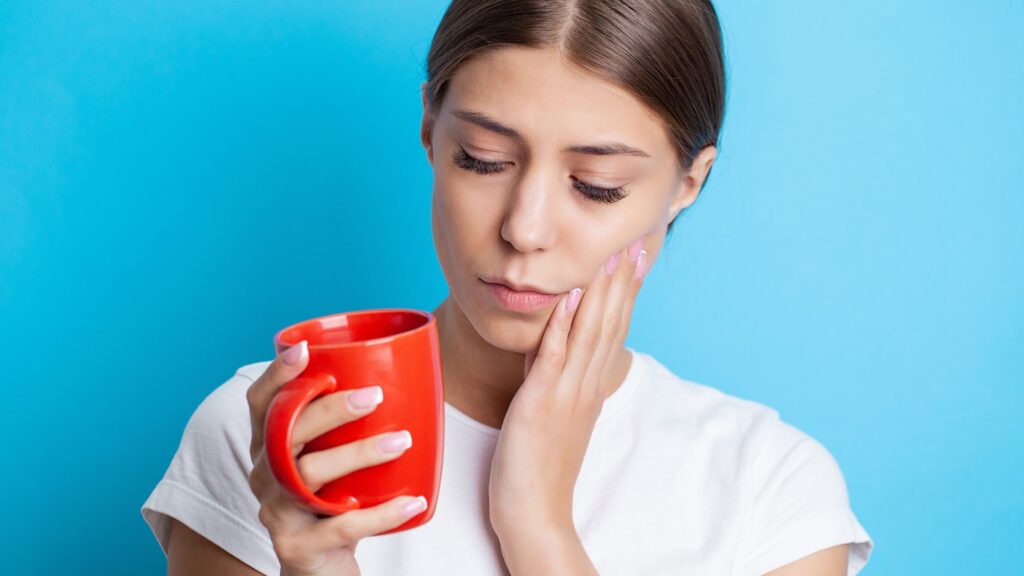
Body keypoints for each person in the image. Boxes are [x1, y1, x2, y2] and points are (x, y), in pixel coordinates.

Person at [141, 1, 874, 574]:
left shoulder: (771, 490)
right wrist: (314, 570)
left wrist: (536, 523)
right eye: (484, 160)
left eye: (597, 186)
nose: (525, 229)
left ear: (688, 182)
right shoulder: (274, 434)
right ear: (431, 128)